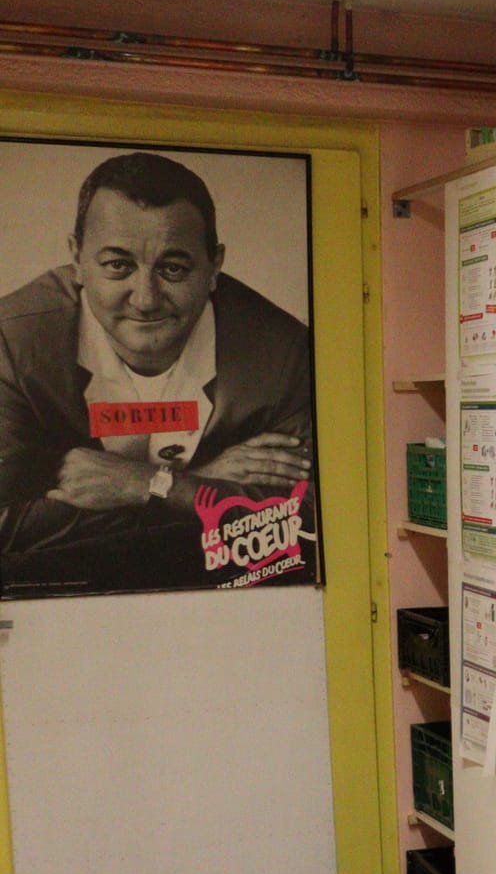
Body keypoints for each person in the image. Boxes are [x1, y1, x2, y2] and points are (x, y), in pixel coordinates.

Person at [0, 151, 315, 594]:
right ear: (77, 258)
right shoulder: (11, 342)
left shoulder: (284, 353)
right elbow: (6, 529)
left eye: (173, 268)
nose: (145, 299)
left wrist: (154, 485)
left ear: (214, 267)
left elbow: (309, 524)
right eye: (118, 265)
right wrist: (204, 485)